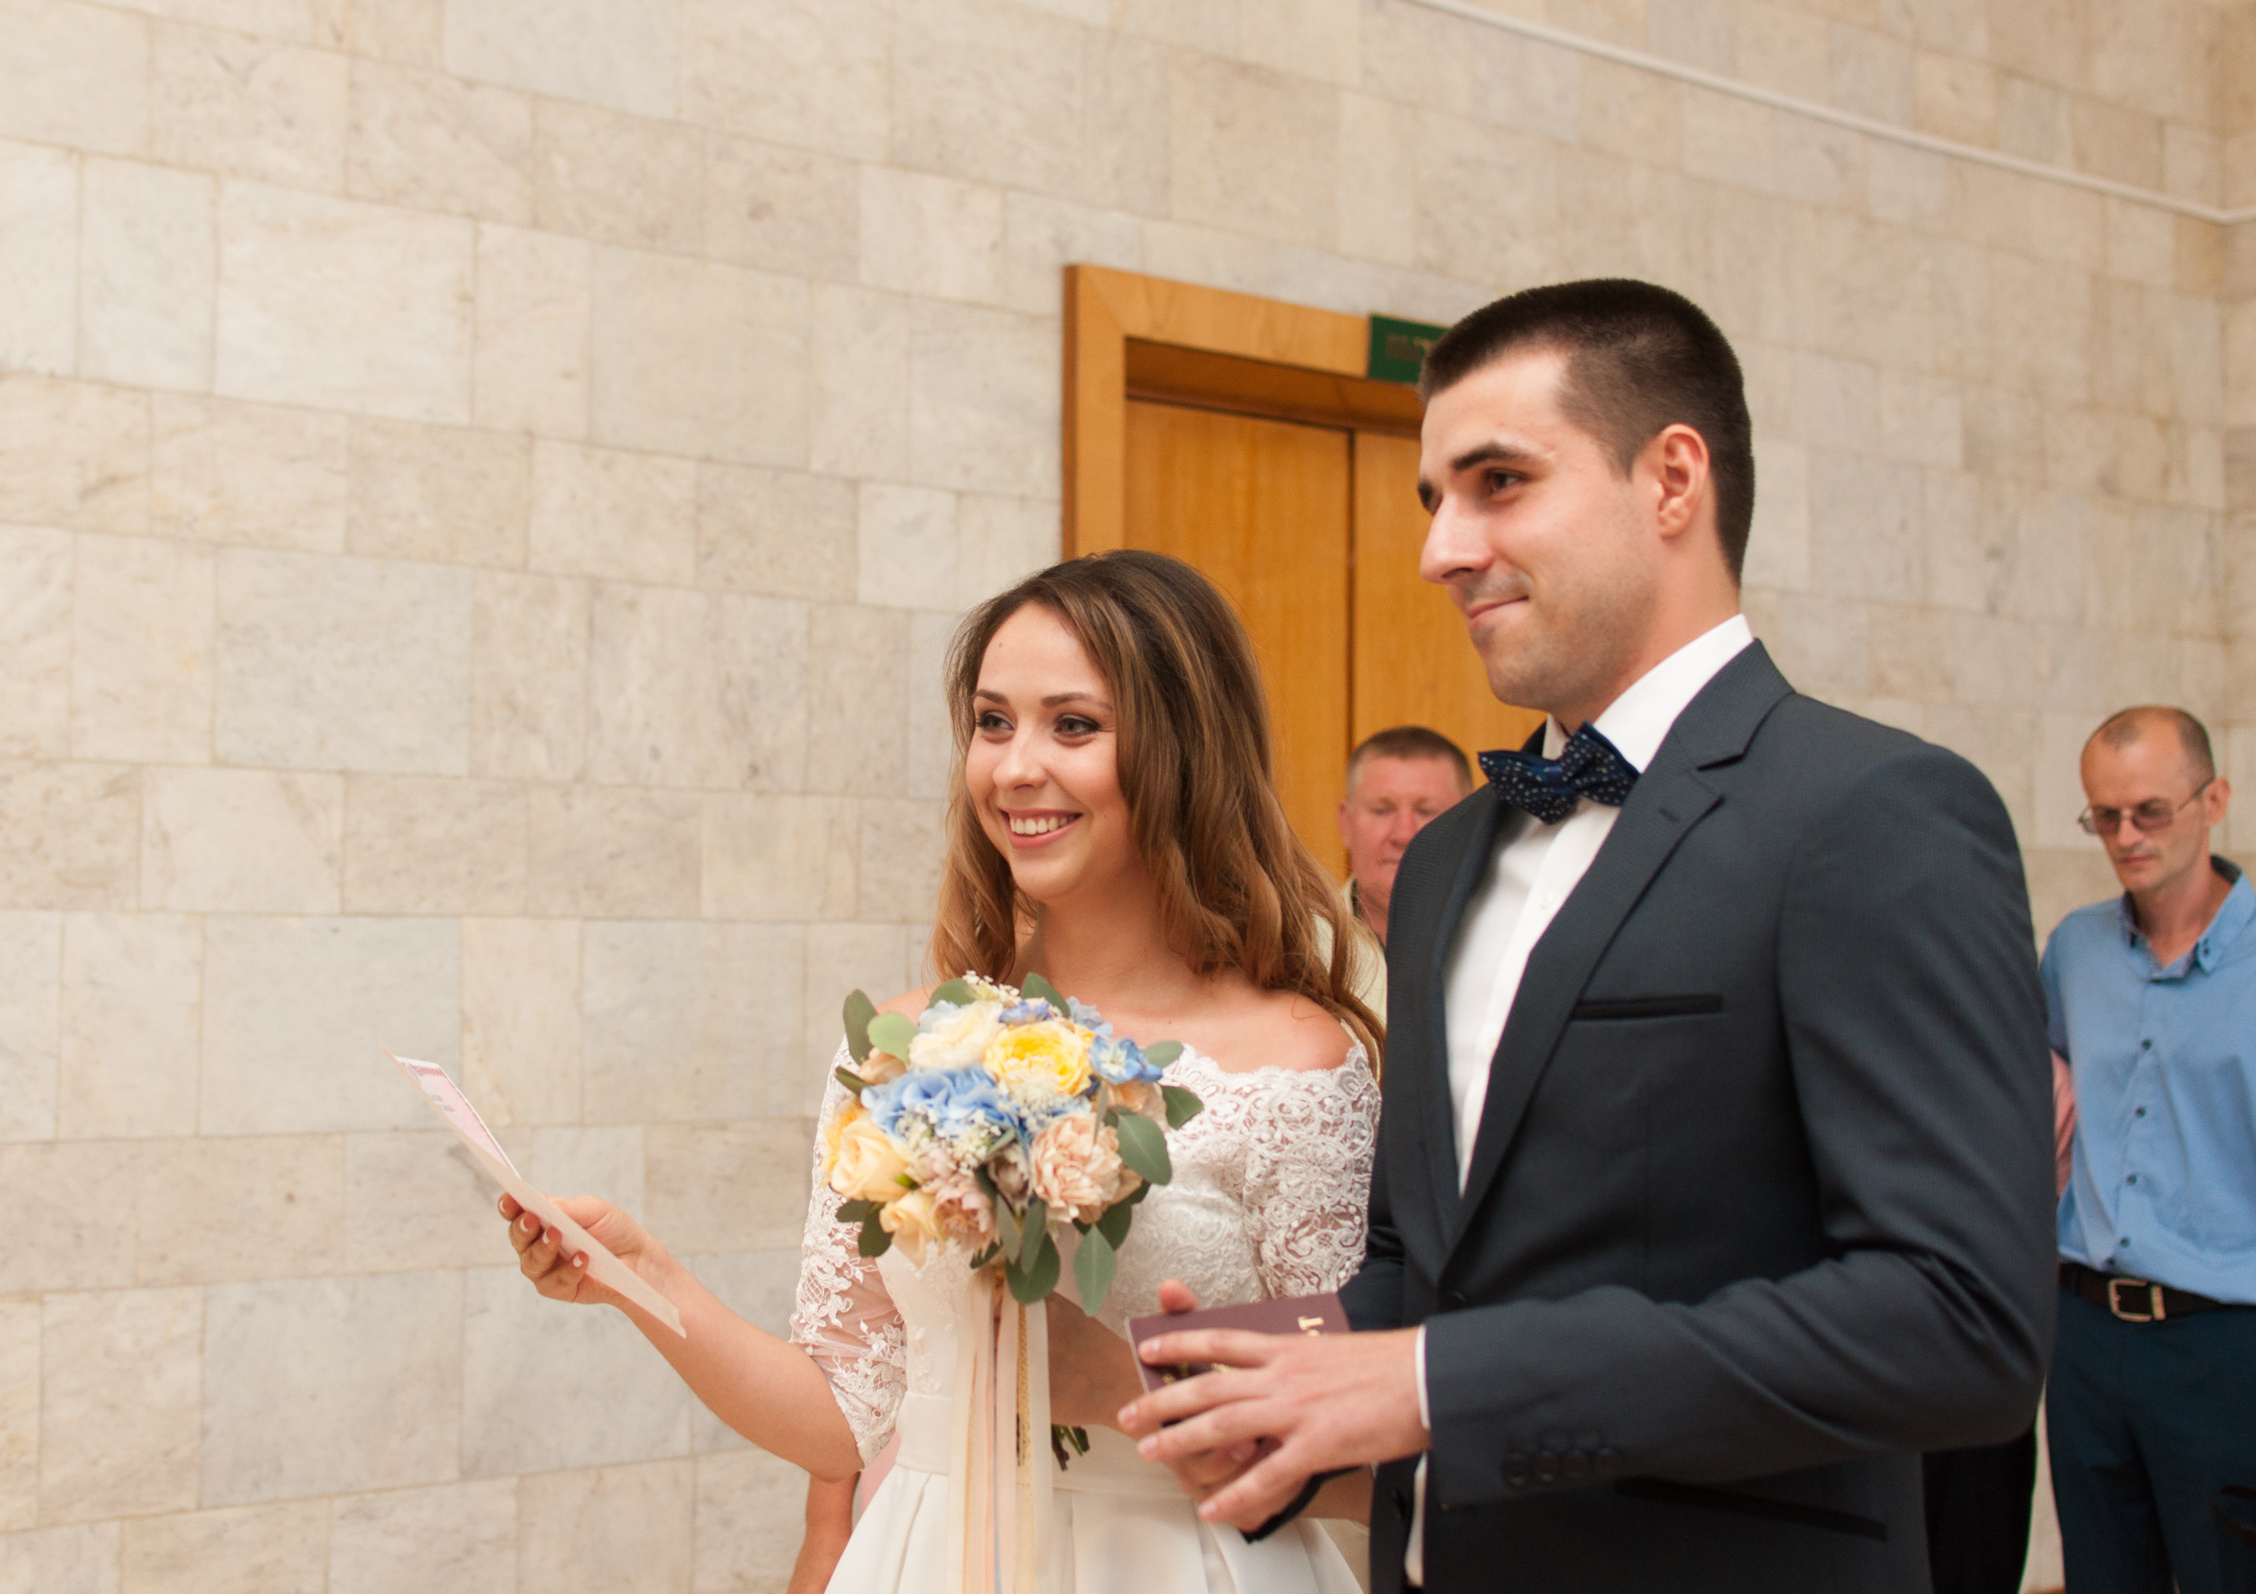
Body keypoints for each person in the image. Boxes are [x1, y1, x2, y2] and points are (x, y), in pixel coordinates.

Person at [1117, 278, 2054, 1593]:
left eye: (1499, 481)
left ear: (1673, 479)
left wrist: (1442, 1381)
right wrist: (1269, 1369)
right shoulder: (1448, 860)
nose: (1443, 548)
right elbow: (1424, 1266)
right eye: (1434, 499)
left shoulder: (1872, 811)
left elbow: (1962, 1323)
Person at [501, 549, 1384, 1594]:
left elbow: (1372, 1459)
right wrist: (643, 1276)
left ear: (1183, 750)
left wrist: (1125, 1384)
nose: (1014, 768)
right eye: (992, 720)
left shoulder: (1292, 1065)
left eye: (1074, 724)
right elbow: (839, 1416)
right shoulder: (903, 1049)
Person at [2042, 705, 2256, 1594]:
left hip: (2224, 1344)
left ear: (2214, 801)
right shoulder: (2075, 950)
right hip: (2086, 1337)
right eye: (2104, 815)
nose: (2125, 837)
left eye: (2150, 812)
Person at [1336, 728, 1473, 1018]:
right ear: (1346, 824)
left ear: (1471, 826)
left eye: (1427, 812)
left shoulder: (1504, 938)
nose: (1404, 834)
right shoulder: (1297, 944)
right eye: (1382, 810)